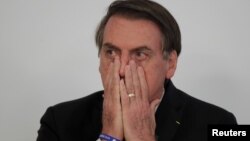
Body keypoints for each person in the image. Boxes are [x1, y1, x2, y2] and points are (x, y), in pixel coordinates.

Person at [37, 0, 237, 141]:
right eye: (111, 53)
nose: (122, 70)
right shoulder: (59, 121)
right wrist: (109, 136)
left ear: (171, 64)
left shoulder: (221, 124)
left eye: (140, 54)